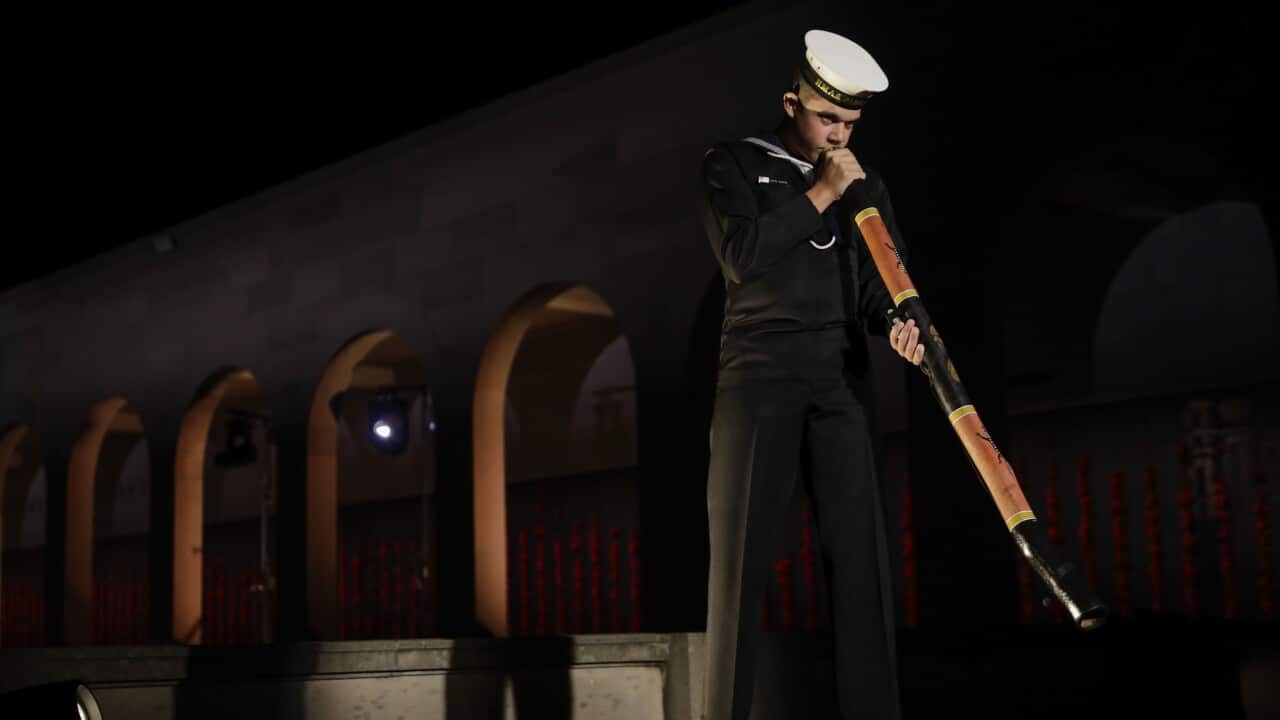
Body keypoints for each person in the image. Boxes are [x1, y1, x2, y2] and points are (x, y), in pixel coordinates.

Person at [696, 28, 924, 720]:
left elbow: (881, 280)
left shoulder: (867, 182)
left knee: (865, 566)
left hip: (840, 377)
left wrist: (898, 323)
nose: (839, 136)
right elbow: (742, 256)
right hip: (758, 372)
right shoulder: (732, 164)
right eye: (828, 119)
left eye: (850, 125)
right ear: (792, 101)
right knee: (739, 566)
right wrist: (822, 192)